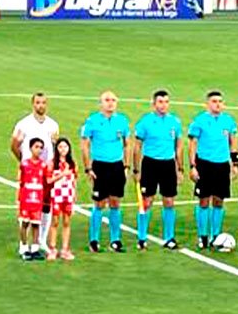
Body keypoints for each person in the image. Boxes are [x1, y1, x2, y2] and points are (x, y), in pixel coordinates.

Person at [79, 90, 132, 253]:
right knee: (99, 203)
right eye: (107, 100)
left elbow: (127, 144)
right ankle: (94, 240)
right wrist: (88, 167)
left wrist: (126, 166)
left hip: (116, 166)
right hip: (100, 166)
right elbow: (84, 144)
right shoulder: (92, 121)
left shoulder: (122, 121)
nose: (110, 103)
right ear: (101, 103)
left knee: (115, 202)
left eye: (113, 100)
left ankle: (115, 240)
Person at [129, 90, 182, 250]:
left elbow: (178, 146)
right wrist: (137, 170)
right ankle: (142, 237)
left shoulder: (174, 122)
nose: (163, 105)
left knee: (169, 201)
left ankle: (169, 237)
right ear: (154, 104)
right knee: (147, 201)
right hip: (150, 164)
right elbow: (137, 147)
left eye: (166, 102)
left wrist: (180, 168)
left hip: (168, 164)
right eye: (160, 102)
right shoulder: (145, 122)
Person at [186, 91, 238, 250]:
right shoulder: (200, 121)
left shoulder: (228, 121)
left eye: (220, 101)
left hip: (222, 165)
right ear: (207, 104)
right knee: (203, 200)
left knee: (219, 200)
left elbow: (232, 143)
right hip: (204, 164)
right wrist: (192, 166)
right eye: (214, 101)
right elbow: (192, 144)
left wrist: (235, 164)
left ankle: (216, 235)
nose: (218, 104)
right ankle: (203, 236)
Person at [9, 93, 62, 247]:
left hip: (46, 171)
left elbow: (54, 146)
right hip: (30, 173)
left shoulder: (53, 125)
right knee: (26, 205)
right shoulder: (23, 124)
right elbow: (14, 146)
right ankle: (23, 243)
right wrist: (24, 162)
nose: (41, 105)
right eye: (38, 102)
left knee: (46, 206)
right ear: (33, 104)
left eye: (44, 102)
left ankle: (41, 241)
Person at [48, 139, 78, 260]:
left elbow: (74, 181)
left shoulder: (72, 164)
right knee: (55, 222)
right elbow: (49, 180)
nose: (63, 149)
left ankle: (65, 249)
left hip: (68, 196)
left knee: (66, 222)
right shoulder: (52, 164)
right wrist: (61, 174)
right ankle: (52, 248)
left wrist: (74, 198)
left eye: (65, 147)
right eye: (60, 147)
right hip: (56, 196)